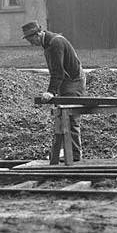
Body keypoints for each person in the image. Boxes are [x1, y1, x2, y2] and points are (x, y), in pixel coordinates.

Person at [22, 20, 86, 162]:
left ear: (38, 34)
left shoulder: (55, 43)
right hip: (66, 81)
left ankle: (75, 155)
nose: (31, 43)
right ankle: (66, 152)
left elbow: (58, 72)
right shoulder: (48, 44)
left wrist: (51, 92)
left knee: (70, 116)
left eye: (31, 40)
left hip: (74, 82)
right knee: (61, 117)